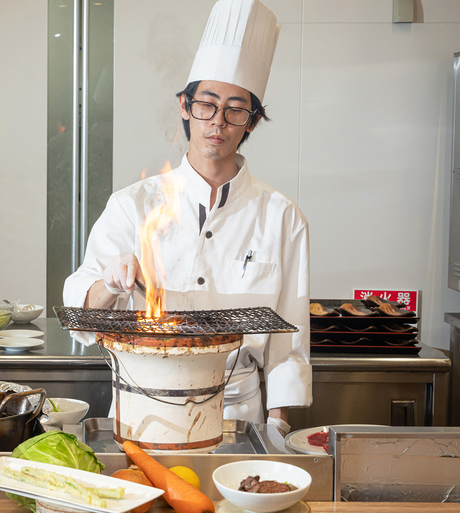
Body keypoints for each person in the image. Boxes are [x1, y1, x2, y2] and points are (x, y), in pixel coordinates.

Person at [62, 0, 310, 437]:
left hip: (237, 416)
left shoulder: (282, 217)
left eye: (236, 109)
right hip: (143, 409)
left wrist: (277, 434)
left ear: (251, 122)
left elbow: (288, 346)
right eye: (206, 104)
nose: (218, 122)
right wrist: (110, 283)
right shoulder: (132, 205)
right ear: (184, 105)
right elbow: (80, 315)